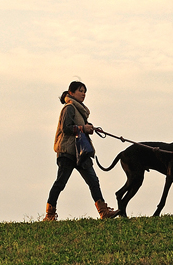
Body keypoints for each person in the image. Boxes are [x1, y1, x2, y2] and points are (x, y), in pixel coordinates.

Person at [44, 81, 118, 221]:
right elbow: (66, 128)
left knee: (93, 181)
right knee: (60, 183)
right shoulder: (69, 108)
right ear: (71, 93)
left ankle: (104, 212)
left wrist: (87, 127)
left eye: (84, 91)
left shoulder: (80, 110)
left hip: (80, 152)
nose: (83, 94)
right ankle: (50, 214)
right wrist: (83, 128)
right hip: (67, 151)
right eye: (80, 91)